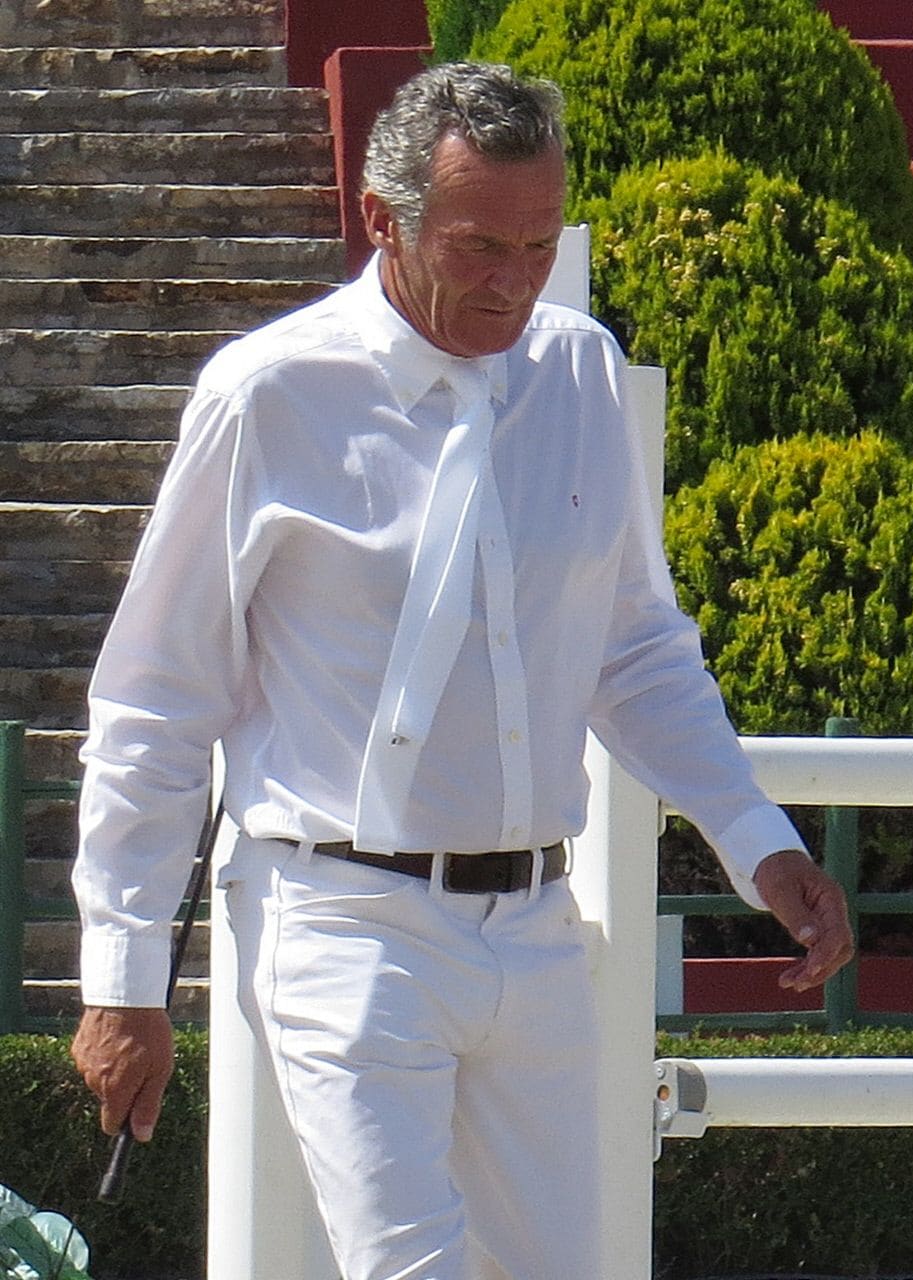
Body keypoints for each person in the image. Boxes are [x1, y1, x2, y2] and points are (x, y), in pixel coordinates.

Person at [68, 62, 852, 1280]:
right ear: (382, 219)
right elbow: (157, 697)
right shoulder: (269, 391)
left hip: (536, 923)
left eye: (539, 243)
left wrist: (758, 834)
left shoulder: (582, 372)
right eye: (480, 243)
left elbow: (635, 644)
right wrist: (120, 977)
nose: (514, 281)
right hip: (338, 911)